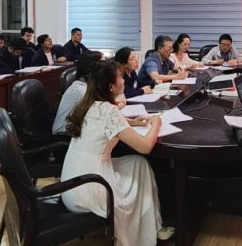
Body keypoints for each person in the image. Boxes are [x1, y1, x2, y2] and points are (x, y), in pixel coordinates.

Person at [60, 60, 173, 244]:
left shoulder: (88, 103)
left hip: (71, 180)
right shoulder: (109, 110)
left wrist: (132, 121)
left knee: (138, 164)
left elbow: (105, 123)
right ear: (110, 86)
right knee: (140, 164)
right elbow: (145, 147)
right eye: (121, 77)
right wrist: (156, 124)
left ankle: (153, 226)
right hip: (90, 187)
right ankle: (143, 232)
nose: (124, 81)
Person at [52, 51, 103, 134]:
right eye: (103, 65)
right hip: (64, 134)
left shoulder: (89, 85)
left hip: (77, 128)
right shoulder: (81, 90)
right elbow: (100, 113)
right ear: (92, 69)